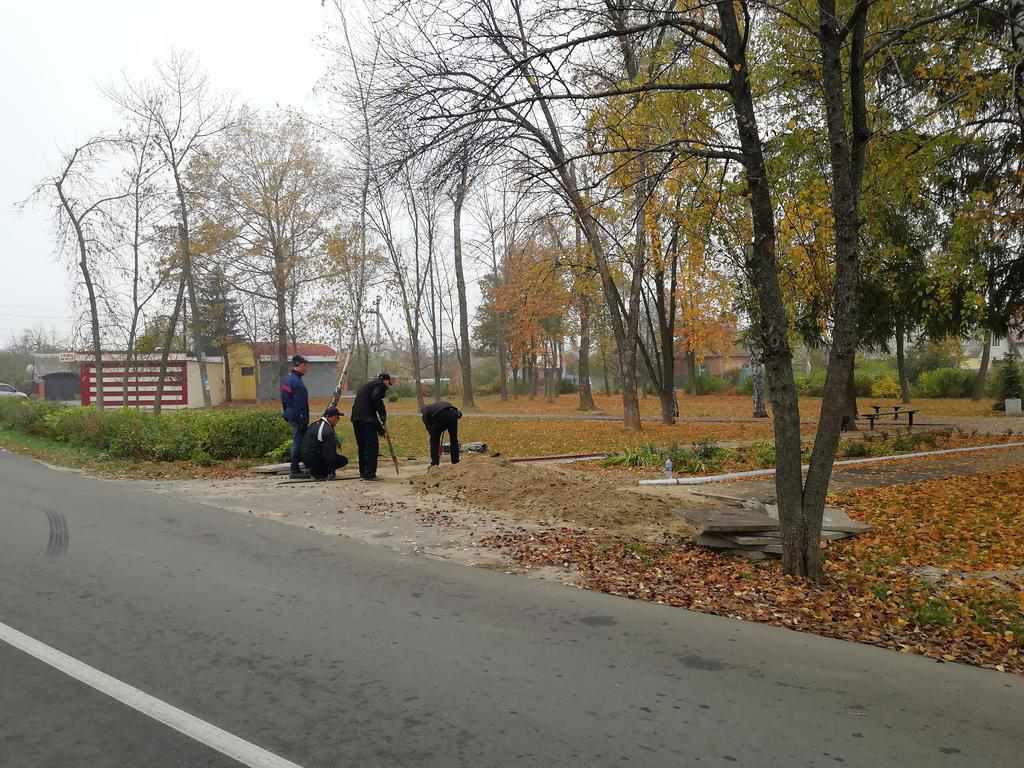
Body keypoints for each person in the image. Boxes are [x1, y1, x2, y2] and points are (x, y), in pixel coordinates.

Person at [350, 372, 392, 480]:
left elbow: (370, 410)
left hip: (356, 419)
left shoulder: (367, 386)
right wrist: (382, 414)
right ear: (386, 381)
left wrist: (380, 429)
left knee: (362, 446)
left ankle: (363, 472)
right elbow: (376, 398)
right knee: (371, 447)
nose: (386, 388)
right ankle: (369, 474)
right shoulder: (380, 385)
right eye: (388, 384)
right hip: (366, 420)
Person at [280, 354, 310, 479]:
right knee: (298, 442)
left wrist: (287, 413)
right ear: (299, 365)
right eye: (305, 366)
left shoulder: (287, 380)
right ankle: (294, 470)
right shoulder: (297, 383)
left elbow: (285, 400)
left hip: (290, 414)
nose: (306, 368)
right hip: (298, 417)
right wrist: (302, 418)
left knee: (299, 441)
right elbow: (300, 404)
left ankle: (303, 466)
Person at [300, 407, 349, 480]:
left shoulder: (314, 424)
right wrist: (331, 472)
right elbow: (329, 453)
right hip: (315, 460)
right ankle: (321, 472)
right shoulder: (328, 430)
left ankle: (314, 470)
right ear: (329, 417)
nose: (338, 419)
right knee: (343, 460)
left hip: (305, 458)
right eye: (337, 417)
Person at [421, 400, 462, 466]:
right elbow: (459, 414)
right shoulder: (439, 404)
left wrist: (434, 434)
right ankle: (455, 461)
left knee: (434, 441)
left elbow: (428, 427)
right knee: (454, 439)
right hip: (453, 414)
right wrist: (445, 425)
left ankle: (435, 463)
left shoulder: (425, 412)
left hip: (440, 416)